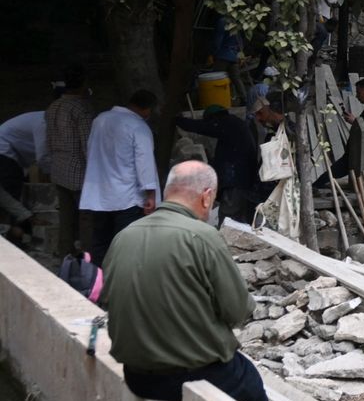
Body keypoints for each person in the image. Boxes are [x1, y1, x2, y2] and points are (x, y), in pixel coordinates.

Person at [104, 161, 266, 401]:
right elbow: (238, 311)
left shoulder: (125, 235)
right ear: (206, 197)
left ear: (168, 192)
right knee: (253, 388)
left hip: (136, 375)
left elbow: (109, 300)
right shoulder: (203, 236)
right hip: (189, 377)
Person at [80, 90, 160, 267]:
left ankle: (96, 282)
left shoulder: (100, 119)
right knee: (125, 244)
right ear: (147, 110)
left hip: (99, 195)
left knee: (100, 242)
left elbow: (90, 150)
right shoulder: (139, 127)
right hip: (127, 197)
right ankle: (121, 282)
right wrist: (151, 195)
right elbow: (144, 162)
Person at [175, 105, 258, 223]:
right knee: (238, 217)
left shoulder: (227, 123)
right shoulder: (235, 126)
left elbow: (201, 127)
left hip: (236, 182)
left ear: (214, 118)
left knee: (229, 219)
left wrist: (179, 121)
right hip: (243, 179)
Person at [46, 64, 95, 255]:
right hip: (79, 171)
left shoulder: (53, 106)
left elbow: (48, 139)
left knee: (66, 218)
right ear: (83, 83)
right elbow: (87, 144)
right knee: (86, 218)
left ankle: (65, 255)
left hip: (59, 168)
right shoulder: (81, 108)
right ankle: (88, 259)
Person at [314, 79, 364, 186]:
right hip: (355, 156)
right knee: (327, 177)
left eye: (359, 92)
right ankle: (312, 190)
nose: (357, 96)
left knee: (362, 190)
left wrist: (355, 122)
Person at [0, 111, 50, 247]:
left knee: (11, 189)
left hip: (11, 154)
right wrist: (8, 229)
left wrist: (27, 216)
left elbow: (5, 198)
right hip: (5, 152)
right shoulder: (43, 123)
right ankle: (10, 242)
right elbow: (42, 157)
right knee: (11, 184)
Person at [210, 15, 247, 104]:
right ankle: (243, 98)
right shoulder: (236, 22)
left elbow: (218, 40)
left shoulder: (223, 21)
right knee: (236, 78)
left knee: (217, 78)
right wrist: (240, 54)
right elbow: (240, 40)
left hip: (223, 54)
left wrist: (213, 53)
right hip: (234, 55)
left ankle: (218, 99)